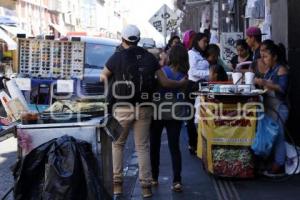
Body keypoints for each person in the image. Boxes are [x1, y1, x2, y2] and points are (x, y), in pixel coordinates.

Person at [100, 24, 187, 198]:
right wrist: (180, 84)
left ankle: (117, 187)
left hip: (122, 107)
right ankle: (146, 188)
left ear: (123, 39)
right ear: (138, 39)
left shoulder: (116, 57)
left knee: (118, 145)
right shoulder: (149, 58)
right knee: (142, 147)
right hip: (145, 108)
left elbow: (103, 76)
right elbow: (164, 82)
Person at [150, 44, 189, 192]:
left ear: (171, 56)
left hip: (158, 111)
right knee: (174, 147)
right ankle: (177, 180)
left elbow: (160, 84)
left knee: (155, 145)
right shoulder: (185, 75)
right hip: (176, 113)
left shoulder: (162, 72)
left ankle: (154, 177)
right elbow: (182, 90)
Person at [254, 42, 289, 177]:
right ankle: (271, 163)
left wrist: (266, 83)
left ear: (274, 56)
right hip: (269, 107)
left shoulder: (281, 69)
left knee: (279, 135)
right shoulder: (270, 69)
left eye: (266, 56)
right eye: (262, 57)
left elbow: (282, 89)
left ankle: (279, 165)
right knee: (271, 136)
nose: (263, 60)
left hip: (279, 108)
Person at [186, 32, 210, 155]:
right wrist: (208, 74)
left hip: (202, 87)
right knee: (192, 117)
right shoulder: (191, 54)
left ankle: (200, 143)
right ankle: (193, 144)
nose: (206, 44)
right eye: (204, 41)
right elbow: (193, 71)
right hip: (193, 86)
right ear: (197, 41)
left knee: (200, 115)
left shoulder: (201, 54)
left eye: (207, 42)